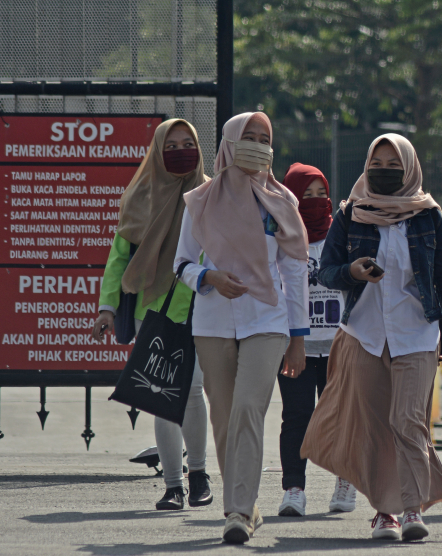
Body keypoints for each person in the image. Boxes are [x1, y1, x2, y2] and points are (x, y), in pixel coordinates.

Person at [300, 133, 442, 541]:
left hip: (417, 333)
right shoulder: (350, 213)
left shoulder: (429, 216)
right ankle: (384, 513)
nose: (385, 172)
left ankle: (412, 510)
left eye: (395, 166)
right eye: (379, 163)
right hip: (365, 334)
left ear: (410, 169)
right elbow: (326, 270)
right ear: (367, 165)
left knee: (407, 421)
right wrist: (351, 272)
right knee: (375, 426)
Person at [174, 112, 309, 544]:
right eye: (247, 137)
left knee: (251, 408)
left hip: (267, 322)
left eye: (264, 138)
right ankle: (247, 504)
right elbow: (180, 265)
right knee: (224, 417)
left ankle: (235, 512)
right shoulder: (200, 200)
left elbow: (295, 272)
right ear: (229, 143)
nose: (256, 145)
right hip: (212, 322)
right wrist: (208, 279)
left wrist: (298, 338)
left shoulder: (283, 201)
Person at [92, 118, 212, 511]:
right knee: (161, 396)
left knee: (192, 392)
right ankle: (173, 485)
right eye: (172, 145)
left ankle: (198, 475)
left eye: (187, 143)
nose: (181, 151)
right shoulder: (139, 197)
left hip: (202, 306)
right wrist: (107, 307)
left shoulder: (212, 194)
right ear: (158, 153)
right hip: (153, 311)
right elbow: (118, 258)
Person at [276, 163, 357, 517]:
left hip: (340, 342)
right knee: (296, 416)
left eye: (320, 193)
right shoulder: (282, 234)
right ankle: (294, 489)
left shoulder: (344, 232)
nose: (314, 200)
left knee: (342, 416)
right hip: (295, 344)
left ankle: (346, 481)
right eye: (305, 194)